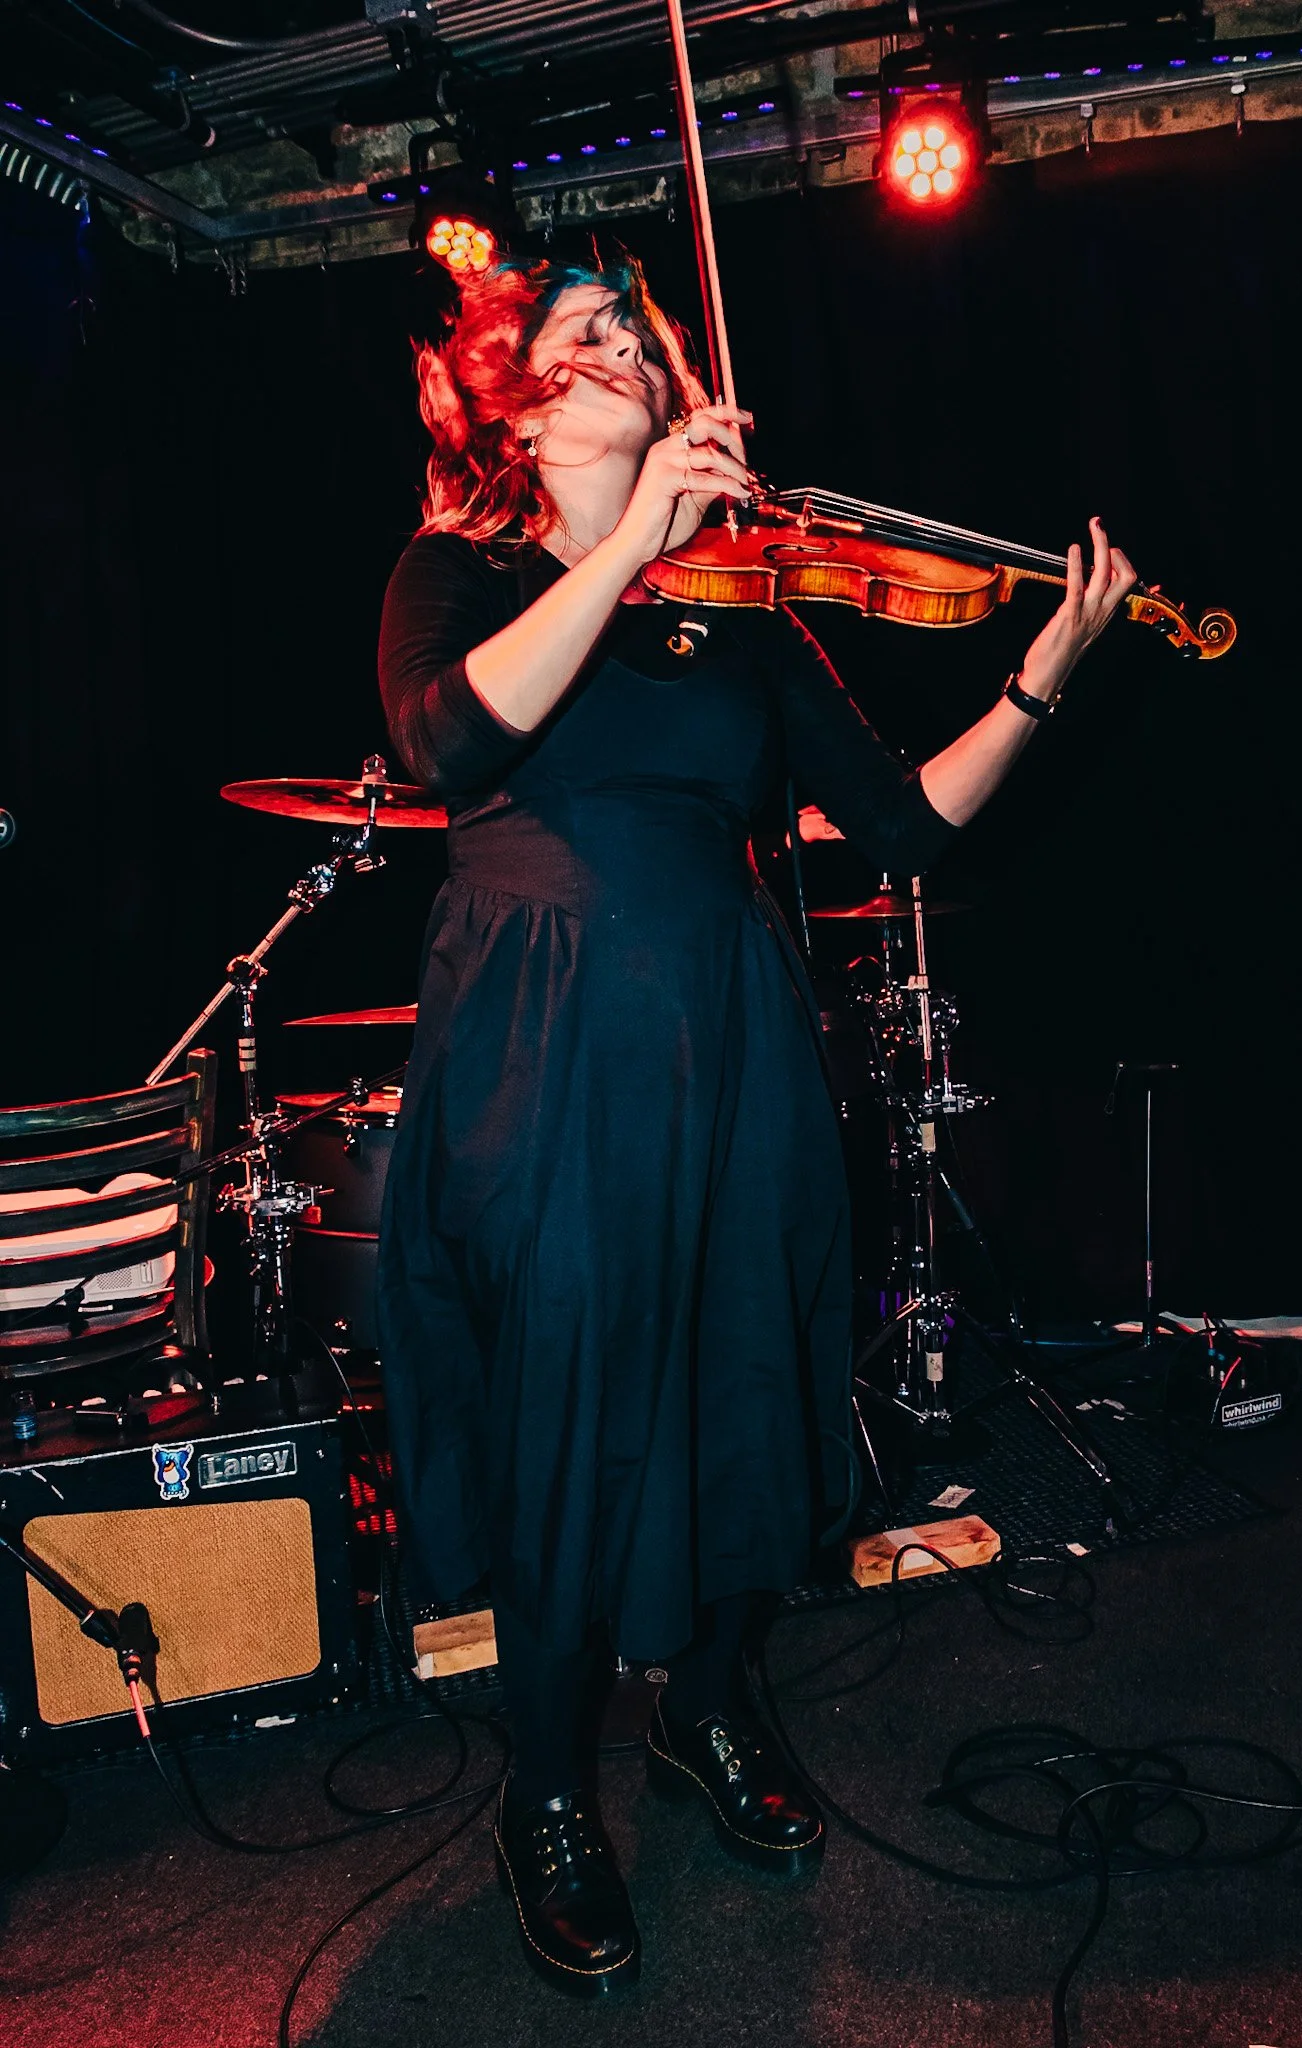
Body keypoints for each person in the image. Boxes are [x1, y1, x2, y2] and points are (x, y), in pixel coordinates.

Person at [376, 251, 1136, 1998]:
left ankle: (706, 1707)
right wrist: (629, 539)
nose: (623, 352)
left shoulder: (744, 608)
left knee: (740, 1388)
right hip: (544, 1038)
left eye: (637, 337)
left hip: (731, 1034)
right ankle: (544, 1791)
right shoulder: (457, 574)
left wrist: (1042, 673)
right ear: (516, 405)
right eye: (582, 335)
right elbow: (445, 745)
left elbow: (903, 827)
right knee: (566, 1411)